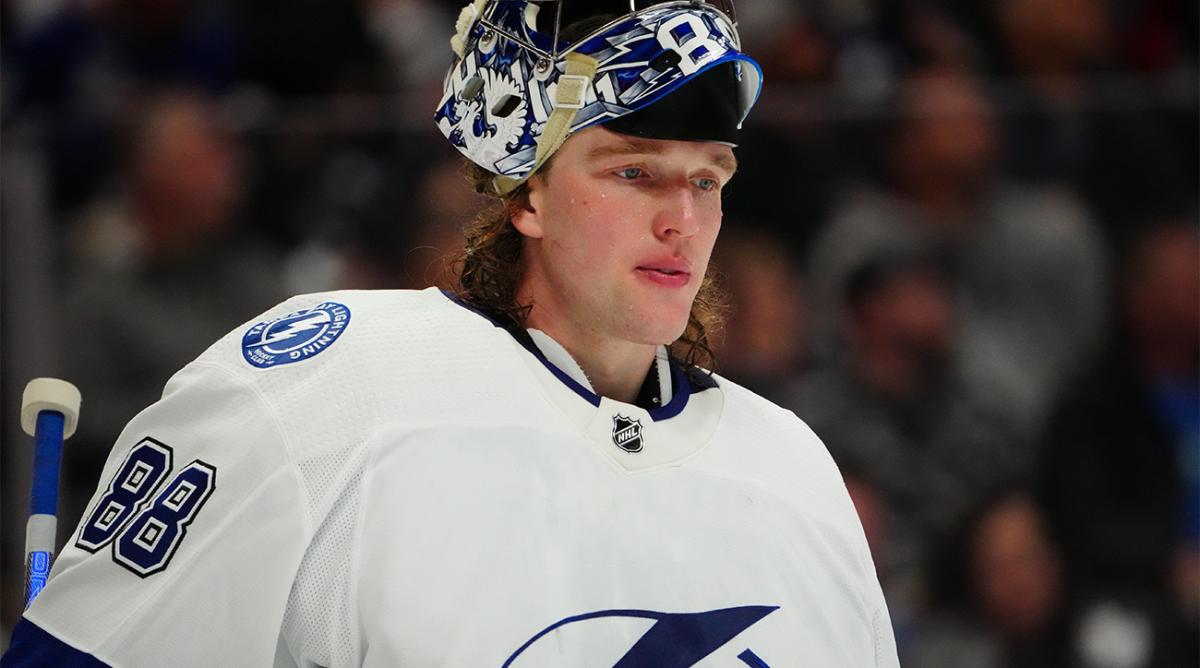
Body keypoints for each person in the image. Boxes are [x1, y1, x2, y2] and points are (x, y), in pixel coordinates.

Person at [4, 0, 898, 665]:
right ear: (526, 193)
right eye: (635, 172)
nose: (684, 221)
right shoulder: (326, 392)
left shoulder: (792, 471)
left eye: (707, 180)